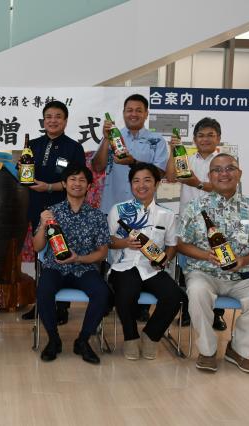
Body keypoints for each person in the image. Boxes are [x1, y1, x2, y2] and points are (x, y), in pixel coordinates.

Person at [177, 153, 249, 374]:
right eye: (217, 170)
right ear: (210, 176)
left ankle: (239, 350)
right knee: (197, 291)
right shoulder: (195, 207)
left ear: (239, 173)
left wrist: (244, 260)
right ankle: (207, 351)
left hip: (241, 276)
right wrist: (206, 255)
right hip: (204, 272)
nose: (224, 174)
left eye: (230, 168)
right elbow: (181, 244)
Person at [93, 93, 169, 322]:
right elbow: (97, 166)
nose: (133, 114)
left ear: (146, 114)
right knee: (108, 253)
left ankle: (141, 305)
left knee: (142, 251)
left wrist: (133, 162)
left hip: (144, 209)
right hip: (113, 205)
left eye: (138, 110)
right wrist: (105, 139)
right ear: (124, 113)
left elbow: (160, 172)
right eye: (129, 110)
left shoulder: (156, 140)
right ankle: (108, 299)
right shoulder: (114, 136)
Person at [33, 165, 109, 364]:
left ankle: (83, 341)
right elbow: (37, 246)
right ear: (65, 184)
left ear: (89, 186)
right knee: (43, 290)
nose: (77, 184)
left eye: (82, 180)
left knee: (102, 292)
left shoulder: (97, 216)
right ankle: (53, 339)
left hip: (84, 267)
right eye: (73, 179)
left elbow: (102, 253)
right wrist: (42, 225)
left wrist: (78, 258)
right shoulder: (51, 212)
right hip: (55, 267)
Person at [108, 163, 184, 360]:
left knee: (175, 296)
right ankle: (130, 337)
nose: (141, 185)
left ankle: (151, 335)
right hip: (124, 266)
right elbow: (108, 242)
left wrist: (165, 259)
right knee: (127, 292)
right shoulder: (118, 210)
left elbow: (172, 245)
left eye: (147, 180)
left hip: (152, 268)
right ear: (131, 185)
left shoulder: (167, 215)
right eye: (136, 181)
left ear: (157, 184)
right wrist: (125, 242)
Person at [21, 100, 86, 323]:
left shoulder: (73, 148)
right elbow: (25, 175)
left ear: (65, 121)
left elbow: (77, 181)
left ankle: (62, 307)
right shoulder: (33, 145)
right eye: (48, 117)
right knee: (40, 256)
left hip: (64, 209)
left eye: (58, 116)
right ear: (43, 120)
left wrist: (49, 187)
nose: (53, 120)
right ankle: (41, 303)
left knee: (61, 253)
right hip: (36, 207)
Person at [166, 117, 226, 330]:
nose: (205, 139)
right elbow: (170, 177)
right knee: (186, 269)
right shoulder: (187, 159)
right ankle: (187, 312)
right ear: (194, 139)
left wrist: (197, 183)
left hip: (216, 224)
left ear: (218, 138)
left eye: (210, 135)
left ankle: (217, 314)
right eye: (201, 135)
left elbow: (225, 188)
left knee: (218, 267)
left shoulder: (225, 162)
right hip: (189, 224)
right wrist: (173, 151)